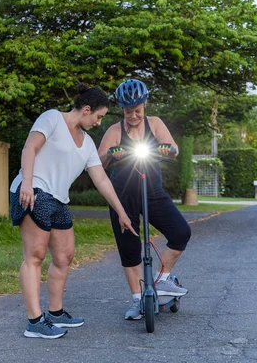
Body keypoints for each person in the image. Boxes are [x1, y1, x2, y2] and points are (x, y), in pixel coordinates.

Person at [10, 83, 136, 339]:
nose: (99, 122)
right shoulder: (52, 119)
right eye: (98, 116)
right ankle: (35, 321)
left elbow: (101, 180)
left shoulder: (88, 144)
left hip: (58, 198)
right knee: (34, 256)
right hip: (33, 190)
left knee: (64, 256)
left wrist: (122, 212)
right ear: (86, 109)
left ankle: (55, 313)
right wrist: (26, 182)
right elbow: (29, 148)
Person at [97, 79, 192, 321]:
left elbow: (173, 147)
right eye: (128, 111)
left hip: (153, 193)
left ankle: (162, 280)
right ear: (122, 109)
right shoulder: (114, 130)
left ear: (144, 105)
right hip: (123, 197)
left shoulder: (155, 124)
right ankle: (137, 300)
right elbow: (99, 161)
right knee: (129, 248)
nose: (133, 115)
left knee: (181, 232)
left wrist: (166, 149)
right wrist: (110, 153)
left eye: (137, 110)